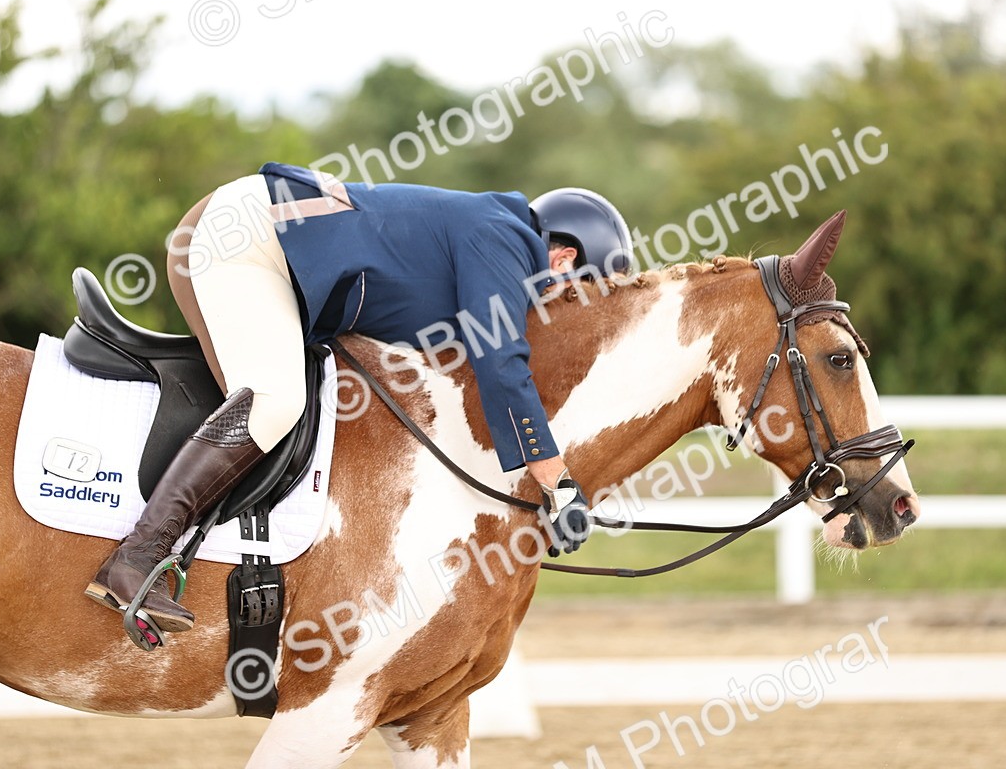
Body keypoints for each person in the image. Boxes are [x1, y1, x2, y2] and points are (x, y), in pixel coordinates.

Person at [84, 162, 635, 633]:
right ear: (562, 257)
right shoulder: (507, 237)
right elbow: (501, 367)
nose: (563, 305)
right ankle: (137, 557)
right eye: (575, 289)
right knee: (276, 401)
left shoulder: (494, 233)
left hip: (268, 238)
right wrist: (557, 485)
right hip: (249, 237)